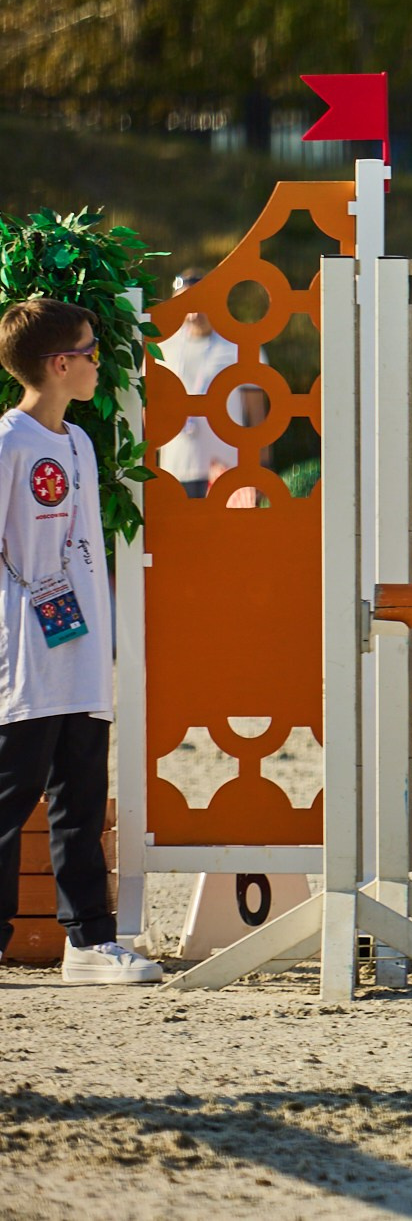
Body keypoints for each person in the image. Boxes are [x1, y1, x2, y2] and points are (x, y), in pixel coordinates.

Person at [0, 297, 162, 983]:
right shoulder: (9, 442)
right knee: (9, 799)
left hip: (84, 652)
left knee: (81, 798)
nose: (100, 362)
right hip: (26, 658)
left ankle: (89, 943)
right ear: (60, 363)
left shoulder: (80, 444)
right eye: (92, 351)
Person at [154, 269, 269, 497]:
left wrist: (261, 469)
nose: (194, 314)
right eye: (186, 304)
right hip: (175, 469)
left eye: (201, 302)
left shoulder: (240, 347)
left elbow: (256, 415)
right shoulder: (161, 347)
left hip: (227, 470)